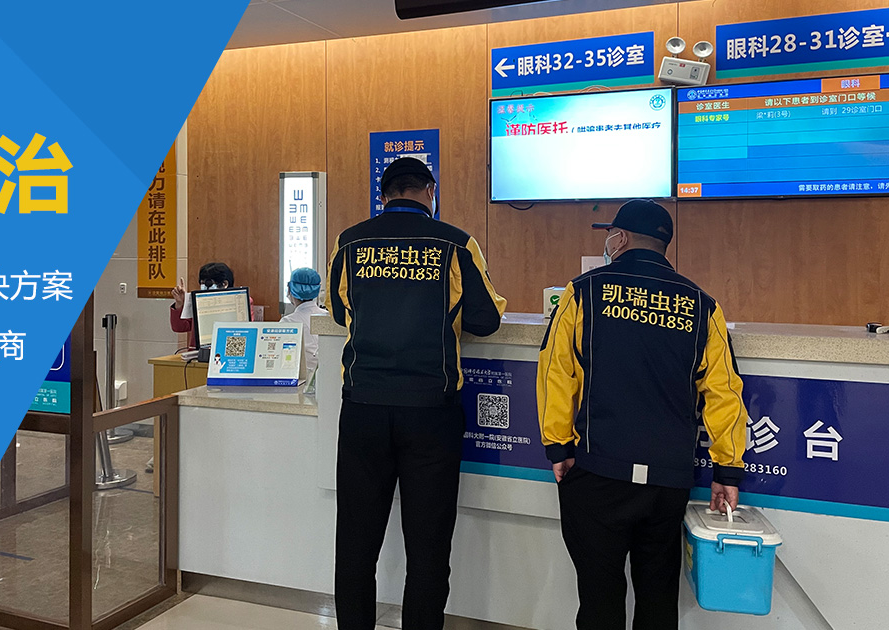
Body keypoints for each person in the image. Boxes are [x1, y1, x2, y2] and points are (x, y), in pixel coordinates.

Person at [537, 199, 749, 630]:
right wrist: (728, 470)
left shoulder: (584, 292)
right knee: (657, 595)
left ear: (621, 238)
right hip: (668, 480)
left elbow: (556, 372)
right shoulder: (702, 305)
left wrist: (557, 445)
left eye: (610, 235)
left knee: (599, 596)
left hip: (599, 470)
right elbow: (724, 390)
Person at [324, 157, 505, 630]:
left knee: (356, 544)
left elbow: (340, 312)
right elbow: (487, 319)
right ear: (430, 191)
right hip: (431, 412)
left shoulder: (349, 242)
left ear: (383, 195)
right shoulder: (456, 243)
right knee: (428, 548)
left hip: (363, 408)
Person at [169, 262, 235, 349]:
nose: (204, 287)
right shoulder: (198, 301)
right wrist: (180, 303)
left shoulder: (240, 301)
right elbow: (179, 327)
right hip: (198, 353)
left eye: (208, 283)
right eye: (202, 283)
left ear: (224, 284)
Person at [278, 267, 327, 382]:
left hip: (301, 382)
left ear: (290, 290)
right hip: (326, 382)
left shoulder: (287, 322)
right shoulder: (328, 318)